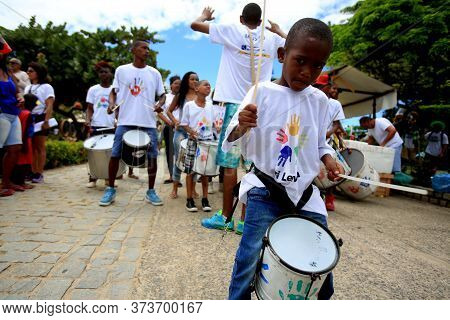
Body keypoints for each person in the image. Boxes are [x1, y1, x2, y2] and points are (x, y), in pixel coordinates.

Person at [223, 18, 342, 299]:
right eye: (300, 60)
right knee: (249, 257)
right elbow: (231, 138)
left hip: (305, 195)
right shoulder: (260, 91)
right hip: (265, 191)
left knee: (320, 264)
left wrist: (329, 160)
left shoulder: (320, 101)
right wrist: (242, 123)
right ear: (281, 55)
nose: (307, 71)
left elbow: (320, 144)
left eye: (317, 65)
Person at [191, 3, 287, 232]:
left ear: (242, 18)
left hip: (236, 105)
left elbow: (195, 25)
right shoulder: (272, 40)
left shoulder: (232, 30)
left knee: (230, 165)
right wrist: (278, 30)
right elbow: (292, 46)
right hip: (261, 105)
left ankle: (226, 218)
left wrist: (205, 15)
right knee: (254, 164)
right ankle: (245, 221)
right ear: (261, 21)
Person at [98, 40, 167, 206]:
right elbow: (113, 93)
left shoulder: (154, 73)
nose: (147, 51)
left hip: (148, 122)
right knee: (115, 154)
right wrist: (111, 104)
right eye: (143, 48)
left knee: (152, 157)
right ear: (133, 50)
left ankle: (150, 191)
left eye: (148, 49)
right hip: (125, 121)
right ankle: (111, 189)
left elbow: (162, 95)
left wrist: (160, 104)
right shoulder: (122, 70)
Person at [180, 80, 217, 212]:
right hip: (193, 142)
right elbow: (183, 124)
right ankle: (189, 199)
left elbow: (214, 124)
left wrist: (216, 127)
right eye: (205, 84)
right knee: (190, 171)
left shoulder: (211, 106)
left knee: (205, 172)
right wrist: (191, 132)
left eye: (209, 84)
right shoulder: (189, 105)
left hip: (207, 142)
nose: (208, 86)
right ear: (196, 89)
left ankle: (205, 199)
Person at [314, 73, 345, 211]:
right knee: (315, 172)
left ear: (328, 86)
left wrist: (329, 135)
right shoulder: (312, 99)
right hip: (312, 141)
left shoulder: (335, 104)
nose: (319, 89)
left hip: (327, 141)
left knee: (331, 171)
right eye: (317, 86)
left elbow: (337, 125)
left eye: (322, 87)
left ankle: (330, 198)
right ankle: (315, 197)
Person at [166, 71, 199, 199]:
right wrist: (175, 121)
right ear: (186, 81)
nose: (195, 81)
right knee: (180, 159)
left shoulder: (200, 96)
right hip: (180, 132)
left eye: (196, 79)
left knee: (195, 161)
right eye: (192, 79)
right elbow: (169, 111)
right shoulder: (181, 95)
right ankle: (175, 188)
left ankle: (193, 189)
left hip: (194, 134)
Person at [85, 61, 117, 188]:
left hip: (111, 126)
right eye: (101, 72)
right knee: (93, 153)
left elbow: (118, 109)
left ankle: (108, 179)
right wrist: (88, 120)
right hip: (96, 125)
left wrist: (118, 122)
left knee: (109, 153)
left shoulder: (115, 90)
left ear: (111, 74)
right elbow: (89, 108)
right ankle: (93, 178)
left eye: (106, 72)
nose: (103, 74)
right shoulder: (93, 89)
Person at [0, 34, 25, 196]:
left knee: (15, 148)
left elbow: (16, 91)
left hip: (13, 114)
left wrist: (20, 97)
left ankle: (6, 183)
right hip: (1, 113)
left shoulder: (7, 71)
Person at [25, 62, 55, 183]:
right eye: (27, 70)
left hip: (41, 118)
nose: (28, 73)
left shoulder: (47, 87)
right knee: (31, 146)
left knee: (39, 146)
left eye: (31, 71)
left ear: (38, 73)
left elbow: (49, 105)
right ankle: (32, 171)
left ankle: (39, 173)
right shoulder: (28, 87)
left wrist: (46, 120)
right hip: (29, 117)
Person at [11, 92, 35, 189]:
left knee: (18, 161)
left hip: (18, 139)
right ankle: (21, 182)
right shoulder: (28, 114)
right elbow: (25, 129)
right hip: (25, 140)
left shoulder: (20, 112)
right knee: (24, 162)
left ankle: (16, 181)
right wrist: (24, 143)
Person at [162, 75, 181, 184]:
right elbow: (158, 111)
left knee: (180, 153)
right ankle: (171, 176)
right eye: (175, 83)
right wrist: (169, 122)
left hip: (181, 128)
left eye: (179, 83)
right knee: (170, 153)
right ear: (171, 85)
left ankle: (177, 177)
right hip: (169, 127)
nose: (177, 85)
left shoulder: (183, 97)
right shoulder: (166, 97)